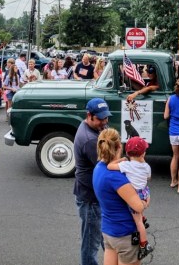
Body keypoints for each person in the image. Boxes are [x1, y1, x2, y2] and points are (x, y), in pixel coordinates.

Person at [93, 128, 150, 265]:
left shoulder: (98, 168)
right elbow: (137, 206)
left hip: (108, 231)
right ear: (119, 146)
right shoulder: (118, 178)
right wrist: (146, 200)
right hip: (125, 234)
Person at [74, 97, 111, 265]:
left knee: (105, 237)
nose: (104, 122)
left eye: (106, 117)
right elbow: (107, 165)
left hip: (94, 195)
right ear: (89, 115)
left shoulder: (94, 128)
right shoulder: (89, 140)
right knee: (90, 244)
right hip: (90, 198)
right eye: (100, 119)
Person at [106, 136, 154, 259]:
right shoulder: (146, 166)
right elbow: (148, 178)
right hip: (144, 192)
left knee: (137, 223)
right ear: (143, 153)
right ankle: (142, 217)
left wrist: (121, 159)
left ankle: (144, 244)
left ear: (127, 152)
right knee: (139, 215)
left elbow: (109, 166)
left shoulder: (127, 165)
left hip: (135, 195)